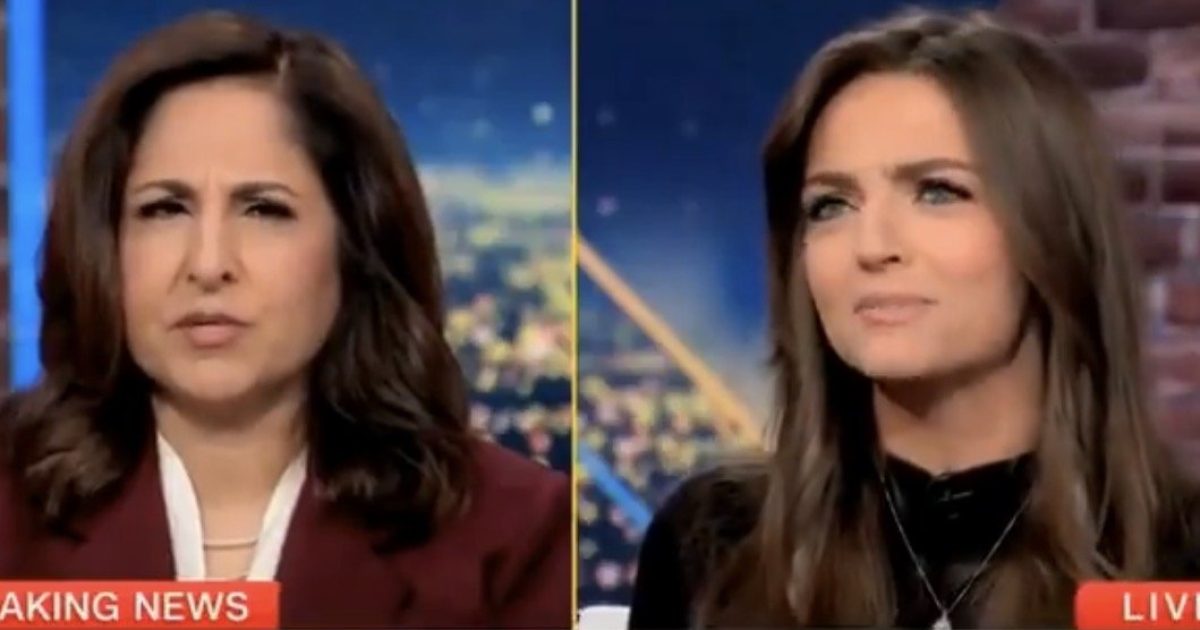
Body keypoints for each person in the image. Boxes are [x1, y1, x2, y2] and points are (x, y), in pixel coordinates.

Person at [628, 8, 1200, 629]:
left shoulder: (1178, 561)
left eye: (936, 191)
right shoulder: (714, 543)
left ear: (1054, 232)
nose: (871, 246)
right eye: (831, 205)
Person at [0, 11, 570, 629]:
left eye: (264, 210)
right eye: (164, 209)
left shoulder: (513, 536)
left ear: (355, 245)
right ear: (103, 245)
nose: (209, 263)